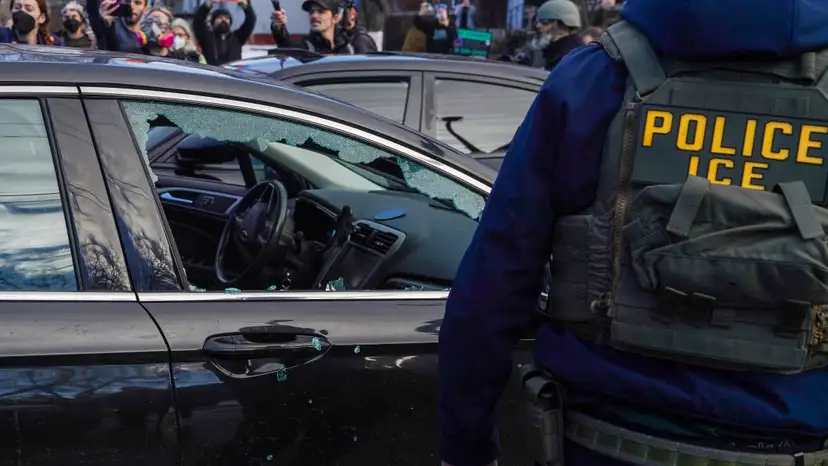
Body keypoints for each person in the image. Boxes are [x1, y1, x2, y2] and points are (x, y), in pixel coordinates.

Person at [437, 0, 828, 465]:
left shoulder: (593, 77)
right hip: (790, 440)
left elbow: (495, 279)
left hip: (605, 438)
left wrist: (466, 444)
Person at [271, 0, 357, 54]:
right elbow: (286, 43)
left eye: (321, 11)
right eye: (311, 12)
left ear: (335, 18)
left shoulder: (348, 48)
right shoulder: (306, 48)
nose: (314, 15)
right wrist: (278, 26)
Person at [193, 0, 255, 66]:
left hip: (234, 73)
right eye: (220, 17)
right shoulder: (206, 37)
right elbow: (198, 21)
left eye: (227, 18)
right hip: (211, 73)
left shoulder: (237, 37)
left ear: (230, 22)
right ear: (213, 21)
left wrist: (246, 6)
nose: (224, 19)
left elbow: (250, 21)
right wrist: (208, 4)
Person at [524, 0, 583, 70]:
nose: (538, 25)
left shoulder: (571, 58)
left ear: (562, 26)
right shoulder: (552, 51)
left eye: (545, 22)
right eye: (538, 21)